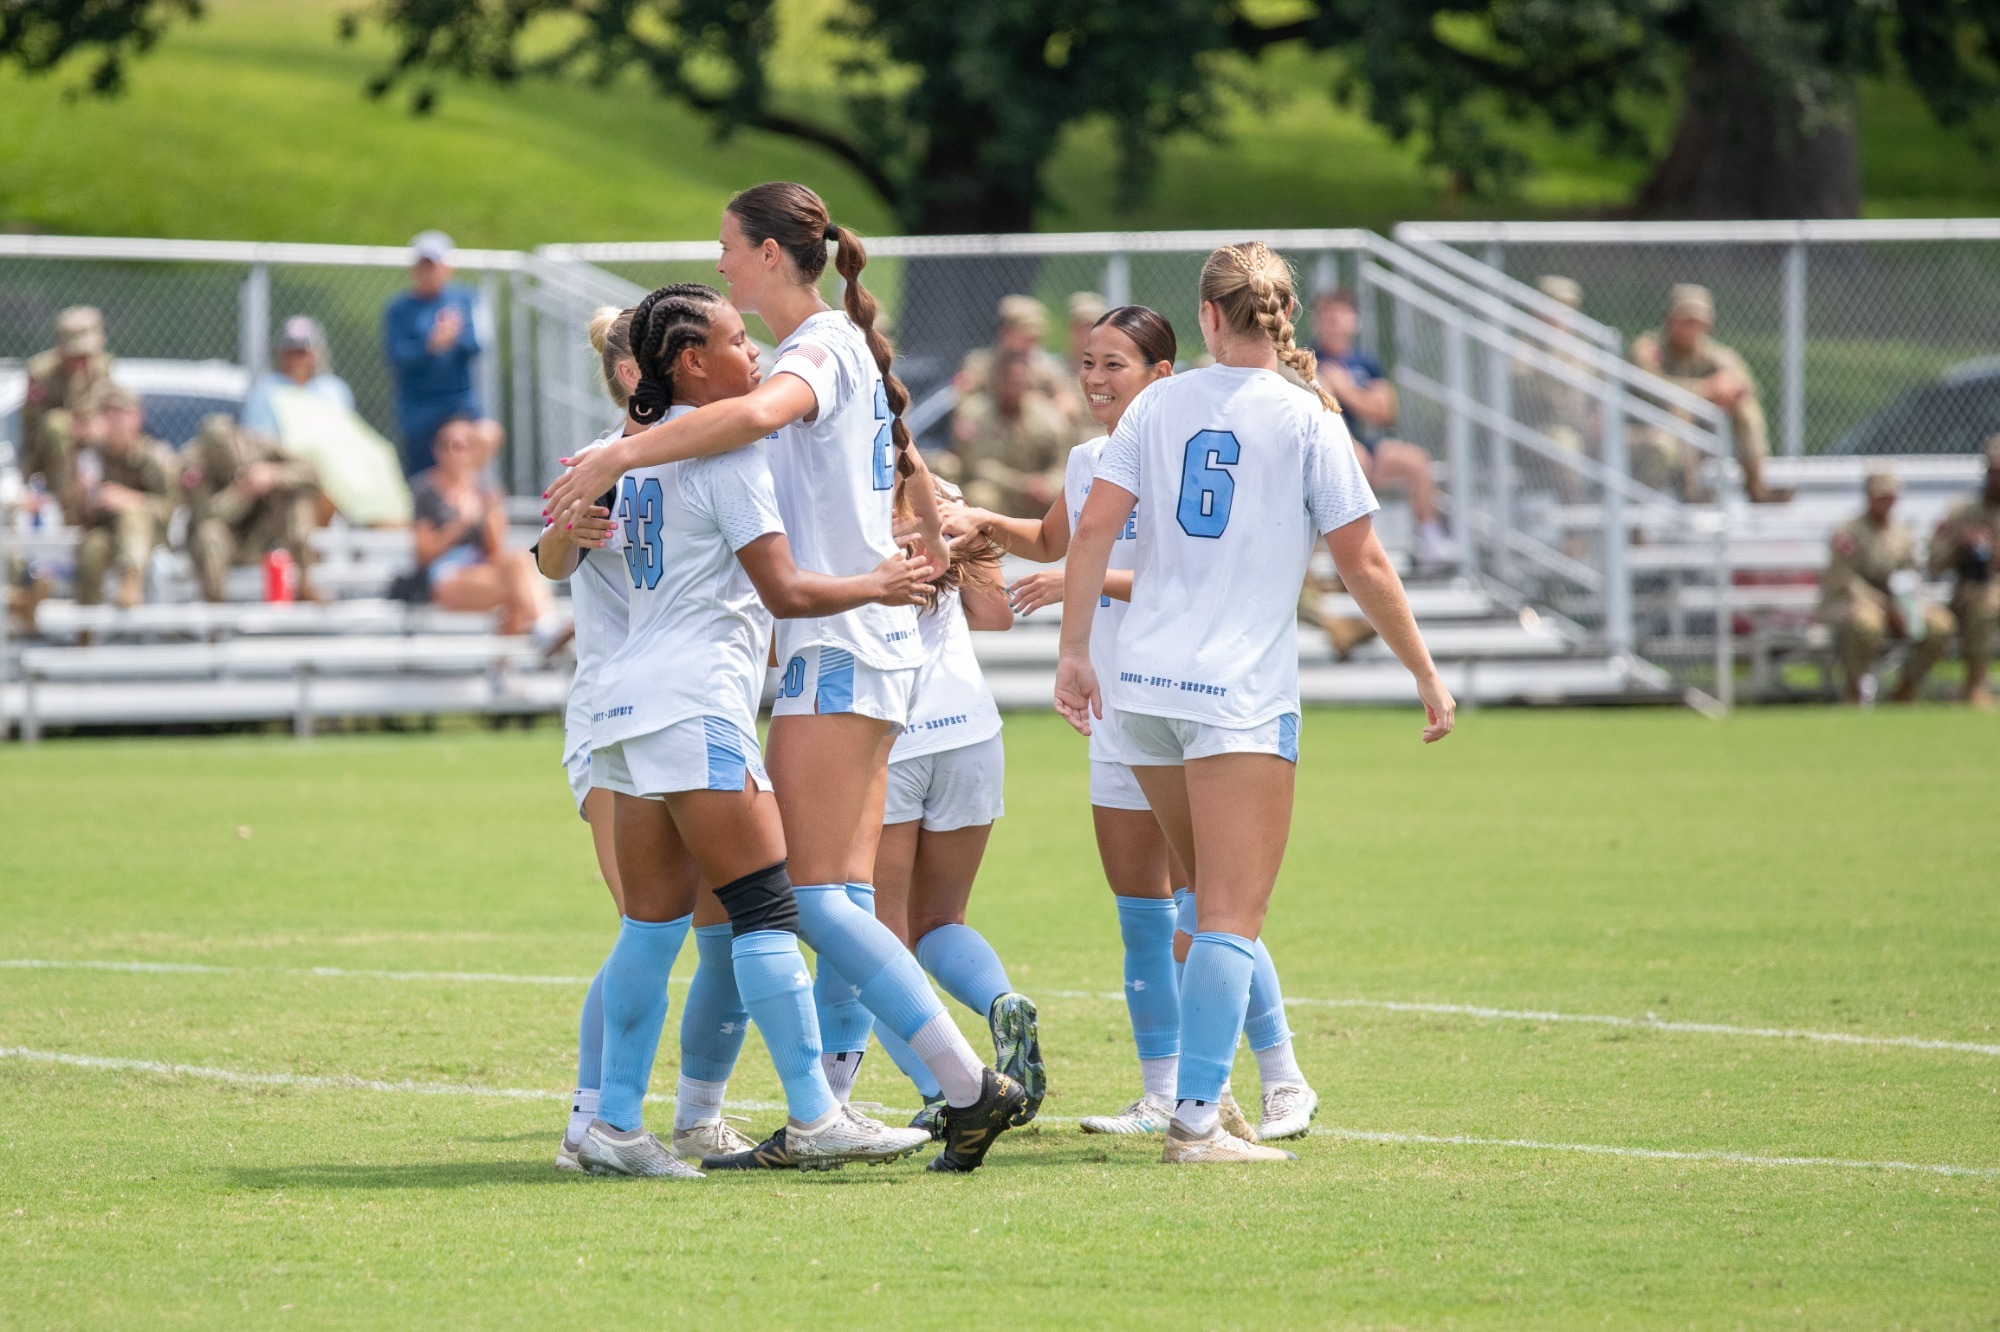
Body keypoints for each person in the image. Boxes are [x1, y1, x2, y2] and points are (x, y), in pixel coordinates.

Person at [541, 182, 1028, 1173]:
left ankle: (638, 1120)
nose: (720, 263)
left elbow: (757, 422)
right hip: (769, 668)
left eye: (728, 245)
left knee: (762, 908)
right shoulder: (750, 420)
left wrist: (614, 456)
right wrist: (898, 562)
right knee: (788, 903)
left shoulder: (807, 357)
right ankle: (889, 1095)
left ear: (770, 254)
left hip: (725, 678)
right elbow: (784, 554)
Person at [1058, 242, 1455, 1165]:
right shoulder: (1310, 417)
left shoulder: (1156, 404)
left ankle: (1222, 1092)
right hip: (1235, 696)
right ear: (1285, 316)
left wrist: (1074, 653)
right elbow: (1364, 562)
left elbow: (1090, 533)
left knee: (1203, 902)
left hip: (1142, 690)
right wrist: (1425, 672)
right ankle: (1198, 1119)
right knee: (1229, 916)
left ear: (1205, 316)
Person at [946, 305, 1309, 1144]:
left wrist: (1081, 581)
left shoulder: (1182, 457)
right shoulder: (1086, 460)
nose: (1096, 379)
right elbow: (1055, 538)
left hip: (1186, 703)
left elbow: (1186, 576)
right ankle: (1161, 1093)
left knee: (1207, 904)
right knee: (1142, 912)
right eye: (1088, 362)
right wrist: (984, 526)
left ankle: (1283, 1075)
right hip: (1117, 712)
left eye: (1116, 364)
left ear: (1162, 375)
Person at [533, 306, 761, 1173]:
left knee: (721, 925)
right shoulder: (606, 459)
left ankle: (697, 1117)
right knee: (647, 922)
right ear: (637, 374)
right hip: (615, 714)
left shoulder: (705, 449)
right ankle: (594, 1120)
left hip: (697, 706)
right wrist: (568, 531)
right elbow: (550, 560)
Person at [866, 475, 1043, 1136]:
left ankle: (947, 1090)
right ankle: (1000, 1002)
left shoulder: (844, 486)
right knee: (941, 919)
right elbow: (995, 615)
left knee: (875, 938)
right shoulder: (941, 491)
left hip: (888, 733)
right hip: (970, 729)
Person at [1310, 289, 1457, 565]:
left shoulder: (1365, 362)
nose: (1333, 321)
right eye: (1326, 314)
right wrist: (1356, 398)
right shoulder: (1309, 359)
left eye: (1340, 313)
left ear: (1354, 320)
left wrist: (1346, 390)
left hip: (1365, 443)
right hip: (1330, 448)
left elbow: (1386, 412)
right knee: (1356, 460)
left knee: (1416, 461)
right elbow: (1324, 411)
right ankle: (1354, 551)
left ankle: (1430, 538)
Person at [1630, 283, 1792, 505]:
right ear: (1670, 320)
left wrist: (1728, 387)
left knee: (1746, 409)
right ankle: (1690, 492)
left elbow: (1743, 383)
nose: (1692, 329)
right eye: (1686, 320)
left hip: (1702, 428)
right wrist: (1703, 390)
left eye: (1699, 323)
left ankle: (1756, 487)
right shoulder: (1650, 348)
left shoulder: (1710, 353)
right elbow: (1653, 387)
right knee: (1682, 409)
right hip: (1648, 425)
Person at [1818, 471, 1952, 704]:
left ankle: (1907, 688)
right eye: (1881, 497)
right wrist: (1885, 605)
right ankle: (1855, 689)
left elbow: (1909, 573)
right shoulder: (1849, 532)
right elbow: (1844, 579)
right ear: (1869, 496)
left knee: (1940, 625)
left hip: (1897, 601)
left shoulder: (1902, 532)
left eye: (1891, 497)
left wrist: (1908, 605)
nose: (1886, 503)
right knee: (1866, 624)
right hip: (1852, 602)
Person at [411, 416, 548, 635]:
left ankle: (541, 631)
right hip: (446, 573)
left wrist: (491, 513)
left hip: (479, 567)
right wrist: (460, 525)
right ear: (437, 450)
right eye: (449, 445)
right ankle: (545, 628)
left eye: (463, 446)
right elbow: (423, 554)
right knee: (519, 589)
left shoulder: (481, 490)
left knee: (518, 562)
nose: (456, 453)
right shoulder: (426, 490)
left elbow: (494, 551)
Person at [382, 231, 497, 476]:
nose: (428, 272)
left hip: (459, 401)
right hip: (419, 406)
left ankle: (461, 489)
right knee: (422, 472)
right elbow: (396, 356)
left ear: (447, 268)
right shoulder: (399, 309)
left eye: (433, 265)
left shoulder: (467, 299)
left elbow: (478, 344)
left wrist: (455, 337)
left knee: (488, 434)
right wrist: (430, 344)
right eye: (423, 265)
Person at [180, 414, 322, 603]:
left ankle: (305, 581)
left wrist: (274, 475)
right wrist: (243, 491)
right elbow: (207, 515)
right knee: (209, 534)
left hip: (265, 531)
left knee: (297, 500)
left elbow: (311, 473)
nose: (222, 453)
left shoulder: (261, 445)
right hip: (227, 541)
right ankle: (216, 604)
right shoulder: (194, 464)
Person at [73, 387, 177, 609]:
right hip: (108, 533)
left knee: (132, 516)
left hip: (148, 537)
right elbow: (76, 515)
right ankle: (86, 620)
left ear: (137, 418)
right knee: (92, 548)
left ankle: (130, 582)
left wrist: (130, 500)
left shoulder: (154, 456)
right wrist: (83, 494)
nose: (114, 423)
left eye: (120, 415)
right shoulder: (92, 457)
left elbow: (171, 508)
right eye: (107, 415)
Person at [949, 348, 1072, 517]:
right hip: (1000, 492)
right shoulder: (974, 413)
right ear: (997, 382)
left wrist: (1048, 485)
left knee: (1071, 495)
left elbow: (1062, 462)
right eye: (1011, 380)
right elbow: (977, 466)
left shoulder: (1047, 414)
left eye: (1022, 379)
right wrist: (1024, 485)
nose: (1017, 385)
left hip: (1038, 497)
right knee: (981, 496)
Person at [19, 306, 115, 521]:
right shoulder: (41, 373)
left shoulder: (102, 368)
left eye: (86, 355)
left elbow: (108, 407)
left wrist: (97, 425)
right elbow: (34, 426)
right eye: (76, 355)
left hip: (91, 450)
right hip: (51, 455)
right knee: (57, 424)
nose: (82, 361)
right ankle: (66, 503)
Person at [1928, 437, 2000, 709]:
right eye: (1995, 471)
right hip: (1972, 591)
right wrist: (1960, 543)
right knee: (1986, 603)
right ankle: (1976, 684)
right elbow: (1935, 564)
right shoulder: (1962, 512)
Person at [953, 293, 1081, 421]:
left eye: (1035, 338)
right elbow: (962, 400)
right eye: (1025, 337)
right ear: (1004, 333)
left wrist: (1036, 403)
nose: (1031, 344)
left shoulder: (1045, 368)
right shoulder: (980, 364)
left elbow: (1069, 405)